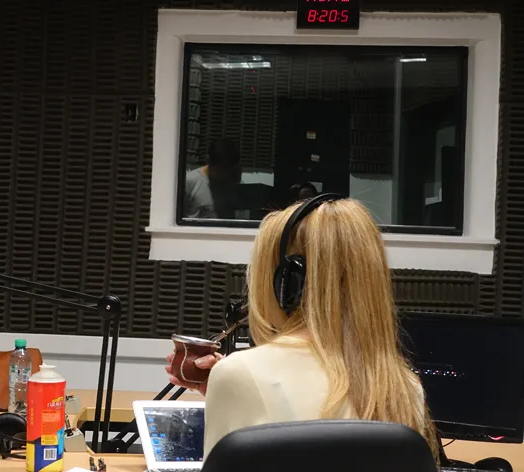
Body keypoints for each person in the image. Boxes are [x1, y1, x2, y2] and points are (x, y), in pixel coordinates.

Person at [166, 196, 439, 463]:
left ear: (286, 283)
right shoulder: (405, 388)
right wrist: (234, 392)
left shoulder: (238, 373)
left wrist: (235, 382)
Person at [182, 138, 242, 219]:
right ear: (208, 161)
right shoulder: (190, 181)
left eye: (227, 169)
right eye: (219, 170)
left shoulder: (232, 181)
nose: (224, 175)